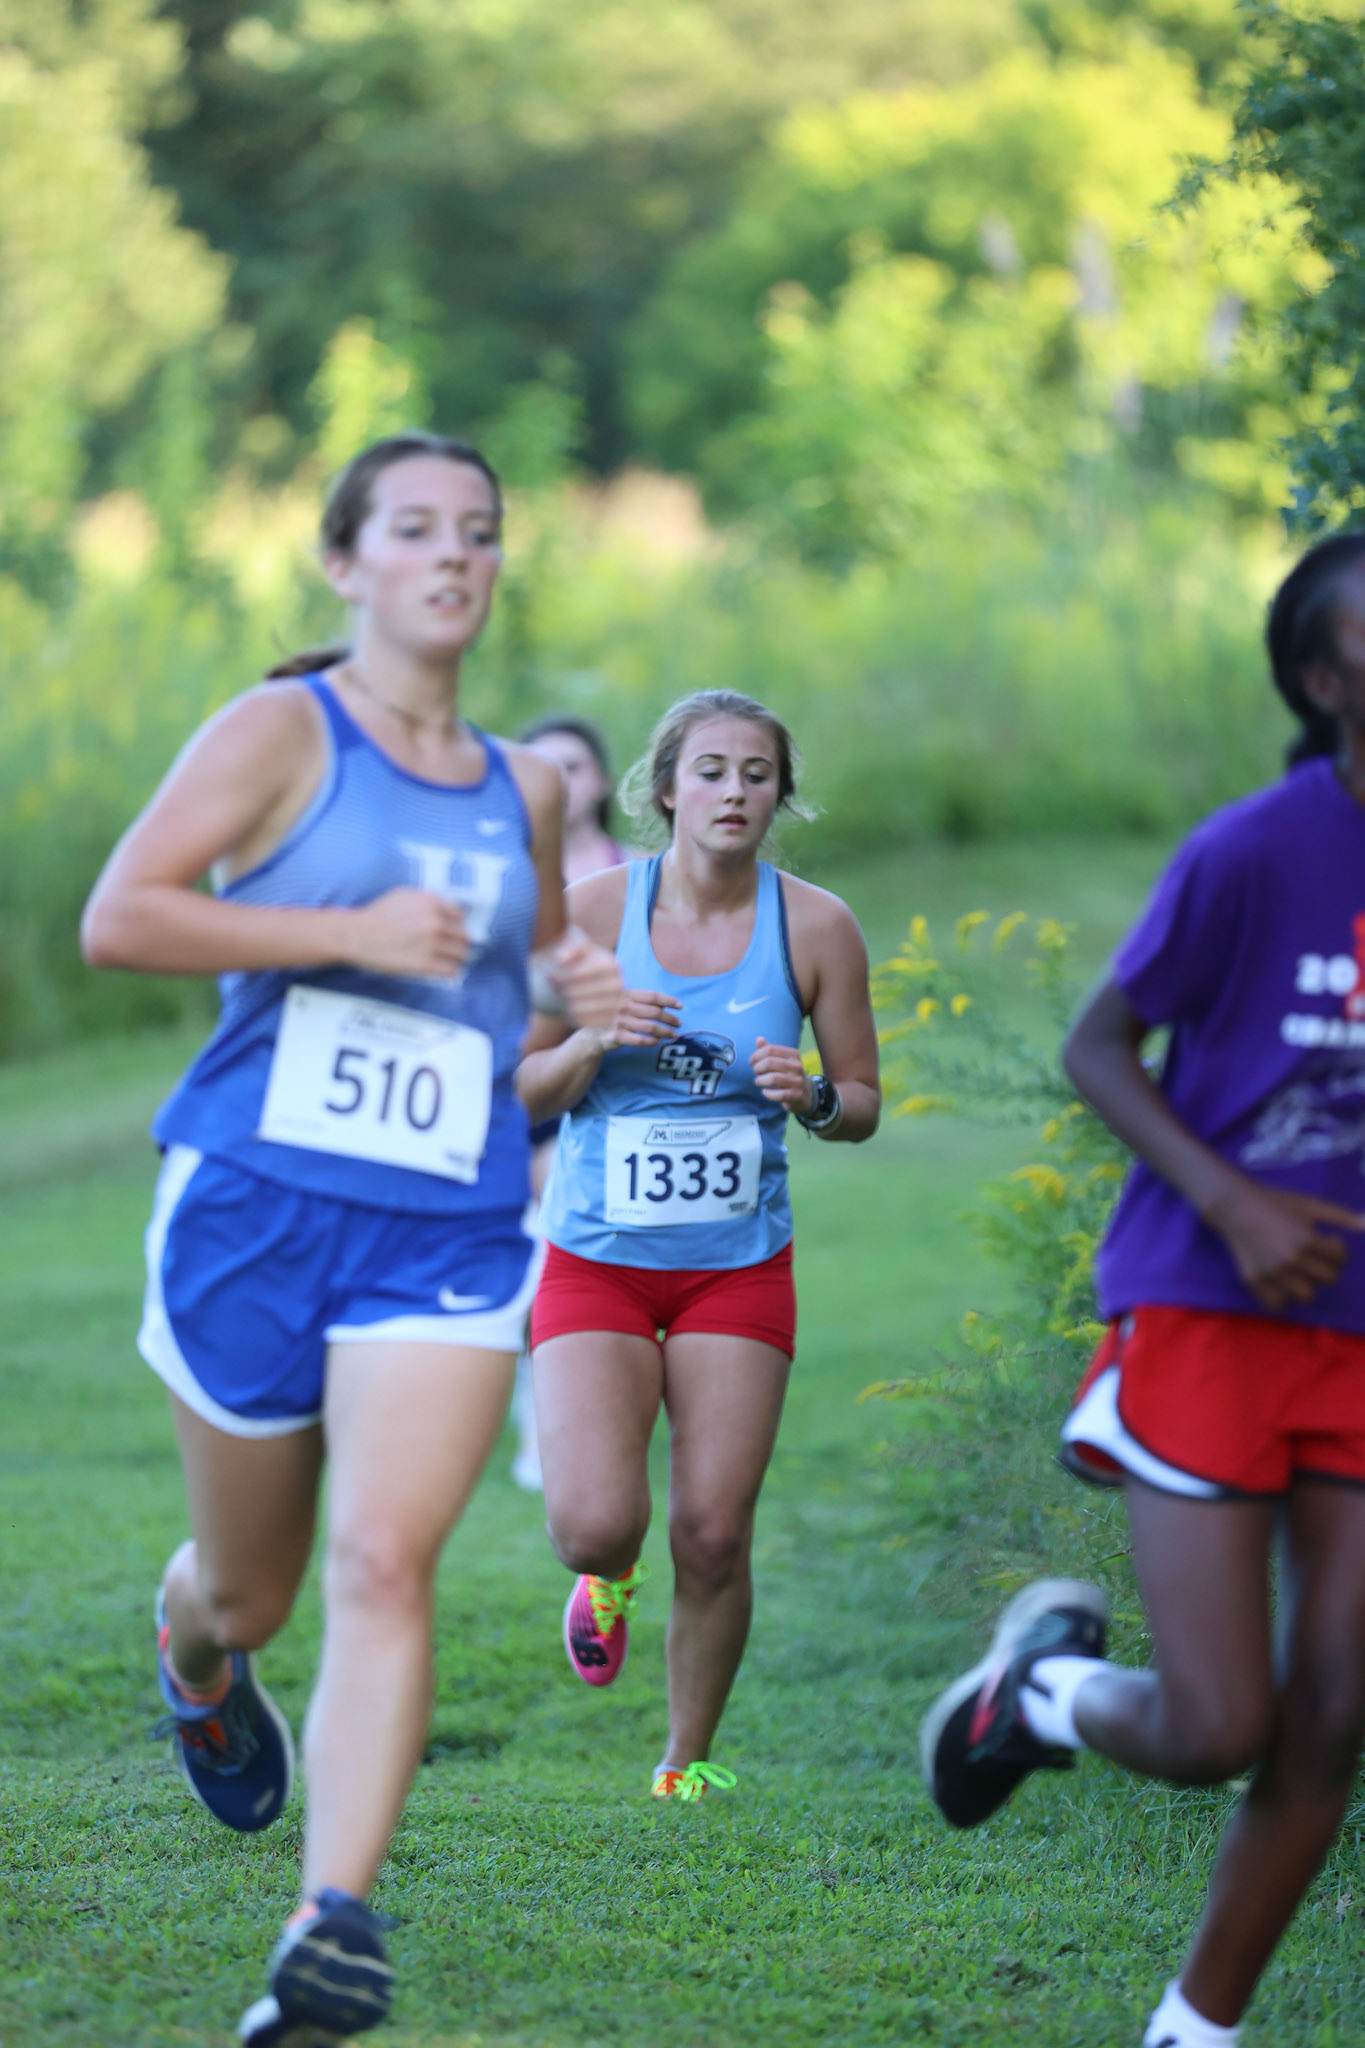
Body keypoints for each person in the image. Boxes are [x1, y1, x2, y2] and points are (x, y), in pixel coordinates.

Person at [79, 431, 621, 2047]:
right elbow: (123, 916)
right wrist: (343, 930)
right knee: (250, 1592)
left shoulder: (527, 780)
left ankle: (328, 1930)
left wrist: (569, 990)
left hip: (445, 1220)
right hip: (256, 1204)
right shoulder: (277, 731)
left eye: (480, 531)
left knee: (386, 1560)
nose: (454, 554)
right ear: (348, 561)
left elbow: (512, 969)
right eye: (416, 528)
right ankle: (195, 1661)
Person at [920, 532, 1365, 2047]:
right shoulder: (1252, 852)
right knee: (1215, 1725)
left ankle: (1194, 2032)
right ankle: (1035, 1698)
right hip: (1216, 1305)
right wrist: (1234, 1204)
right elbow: (1097, 1048)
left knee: (1332, 1715)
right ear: (1324, 680)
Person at [517, 688, 881, 1799]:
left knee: (716, 1530)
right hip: (596, 1260)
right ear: (666, 786)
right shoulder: (584, 912)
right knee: (592, 1523)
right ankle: (607, 1578)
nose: (734, 792)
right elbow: (520, 1084)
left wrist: (811, 1095)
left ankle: (683, 1760)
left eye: (756, 773)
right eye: (711, 770)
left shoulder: (817, 926)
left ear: (781, 794)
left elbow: (862, 1099)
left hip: (736, 1269)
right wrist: (590, 1037)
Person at [506, 715, 638, 1490]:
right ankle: (546, 1411)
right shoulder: (504, 877)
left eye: (576, 765)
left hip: (615, 1089)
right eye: (544, 767)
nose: (562, 781)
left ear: (600, 780)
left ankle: (589, 1412)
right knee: (541, 1260)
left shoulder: (643, 872)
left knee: (583, 1258)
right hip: (525, 1081)